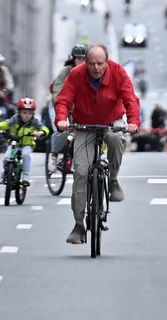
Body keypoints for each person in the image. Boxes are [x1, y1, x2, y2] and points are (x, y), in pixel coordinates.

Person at [54, 44, 141, 245]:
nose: (96, 68)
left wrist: (133, 122)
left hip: (112, 120)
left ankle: (113, 179)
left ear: (107, 61)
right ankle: (78, 225)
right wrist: (61, 119)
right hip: (85, 125)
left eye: (100, 63)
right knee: (81, 173)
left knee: (116, 138)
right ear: (85, 62)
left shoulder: (118, 72)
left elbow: (130, 99)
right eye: (91, 63)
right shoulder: (76, 74)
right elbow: (63, 100)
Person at [0, 98, 49, 185]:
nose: (27, 115)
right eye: (24, 113)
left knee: (26, 155)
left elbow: (44, 128)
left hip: (27, 144)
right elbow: (6, 123)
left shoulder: (34, 122)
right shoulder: (14, 119)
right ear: (19, 112)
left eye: (30, 113)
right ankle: (4, 172)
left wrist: (40, 132)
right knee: (7, 157)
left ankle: (25, 175)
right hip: (14, 144)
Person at [48, 46, 87, 155]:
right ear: (73, 59)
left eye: (84, 59)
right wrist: (62, 103)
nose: (81, 62)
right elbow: (57, 91)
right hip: (60, 105)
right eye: (79, 59)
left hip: (78, 108)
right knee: (62, 130)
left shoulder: (90, 72)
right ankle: (54, 154)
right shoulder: (66, 71)